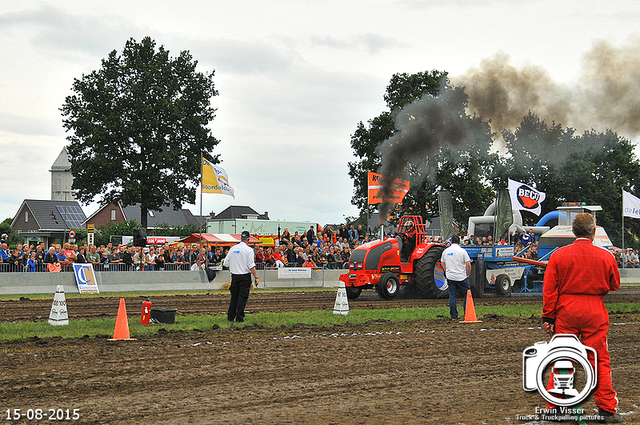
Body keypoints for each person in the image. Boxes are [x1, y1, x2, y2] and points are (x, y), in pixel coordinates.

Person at [542, 213, 622, 423]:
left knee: (562, 358)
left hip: (566, 310)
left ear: (573, 232)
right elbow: (615, 285)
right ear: (593, 232)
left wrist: (548, 317)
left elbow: (549, 290)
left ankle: (556, 409)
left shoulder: (559, 256)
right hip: (594, 309)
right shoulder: (606, 256)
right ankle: (607, 410)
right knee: (599, 361)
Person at [223, 231, 259, 323]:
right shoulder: (249, 250)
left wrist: (233, 268)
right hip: (244, 277)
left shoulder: (233, 249)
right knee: (242, 298)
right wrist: (256, 277)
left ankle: (230, 317)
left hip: (234, 276)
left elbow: (226, 263)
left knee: (234, 297)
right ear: (248, 239)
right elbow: (251, 265)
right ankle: (239, 318)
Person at [440, 234, 471, 320]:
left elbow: (442, 263)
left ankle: (454, 315)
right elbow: (468, 264)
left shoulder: (446, 251)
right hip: (461, 276)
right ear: (459, 242)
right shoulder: (462, 251)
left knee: (452, 295)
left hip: (450, 277)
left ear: (451, 242)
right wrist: (467, 274)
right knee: (466, 294)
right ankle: (467, 313)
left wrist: (446, 271)